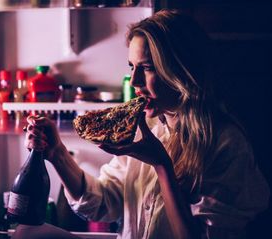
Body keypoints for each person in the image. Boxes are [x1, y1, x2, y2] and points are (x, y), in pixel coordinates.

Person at [15, 9, 270, 239]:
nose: (134, 81)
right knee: (25, 234)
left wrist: (161, 165)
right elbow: (102, 204)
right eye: (131, 66)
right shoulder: (144, 128)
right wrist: (57, 153)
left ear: (181, 71)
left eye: (147, 68)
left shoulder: (226, 145)